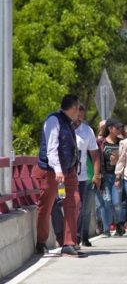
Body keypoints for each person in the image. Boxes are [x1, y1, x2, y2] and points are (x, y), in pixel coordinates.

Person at [34, 94, 85, 257]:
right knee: (46, 205)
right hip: (51, 171)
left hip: (69, 171)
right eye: (79, 109)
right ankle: (41, 241)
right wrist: (57, 170)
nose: (80, 113)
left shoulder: (69, 123)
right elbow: (51, 148)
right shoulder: (53, 121)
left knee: (74, 202)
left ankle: (69, 243)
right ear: (74, 108)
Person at [74, 104, 101, 247]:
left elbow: (95, 155)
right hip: (63, 177)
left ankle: (77, 238)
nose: (79, 118)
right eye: (77, 115)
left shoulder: (87, 130)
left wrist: (97, 175)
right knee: (63, 206)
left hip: (82, 177)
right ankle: (65, 237)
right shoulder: (62, 128)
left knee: (82, 208)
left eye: (81, 116)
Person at [99, 118, 126, 237]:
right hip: (105, 177)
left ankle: (119, 223)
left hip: (117, 177)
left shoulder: (122, 142)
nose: (120, 130)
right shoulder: (101, 143)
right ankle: (106, 228)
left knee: (116, 203)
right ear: (110, 129)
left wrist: (118, 160)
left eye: (121, 128)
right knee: (106, 202)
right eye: (117, 128)